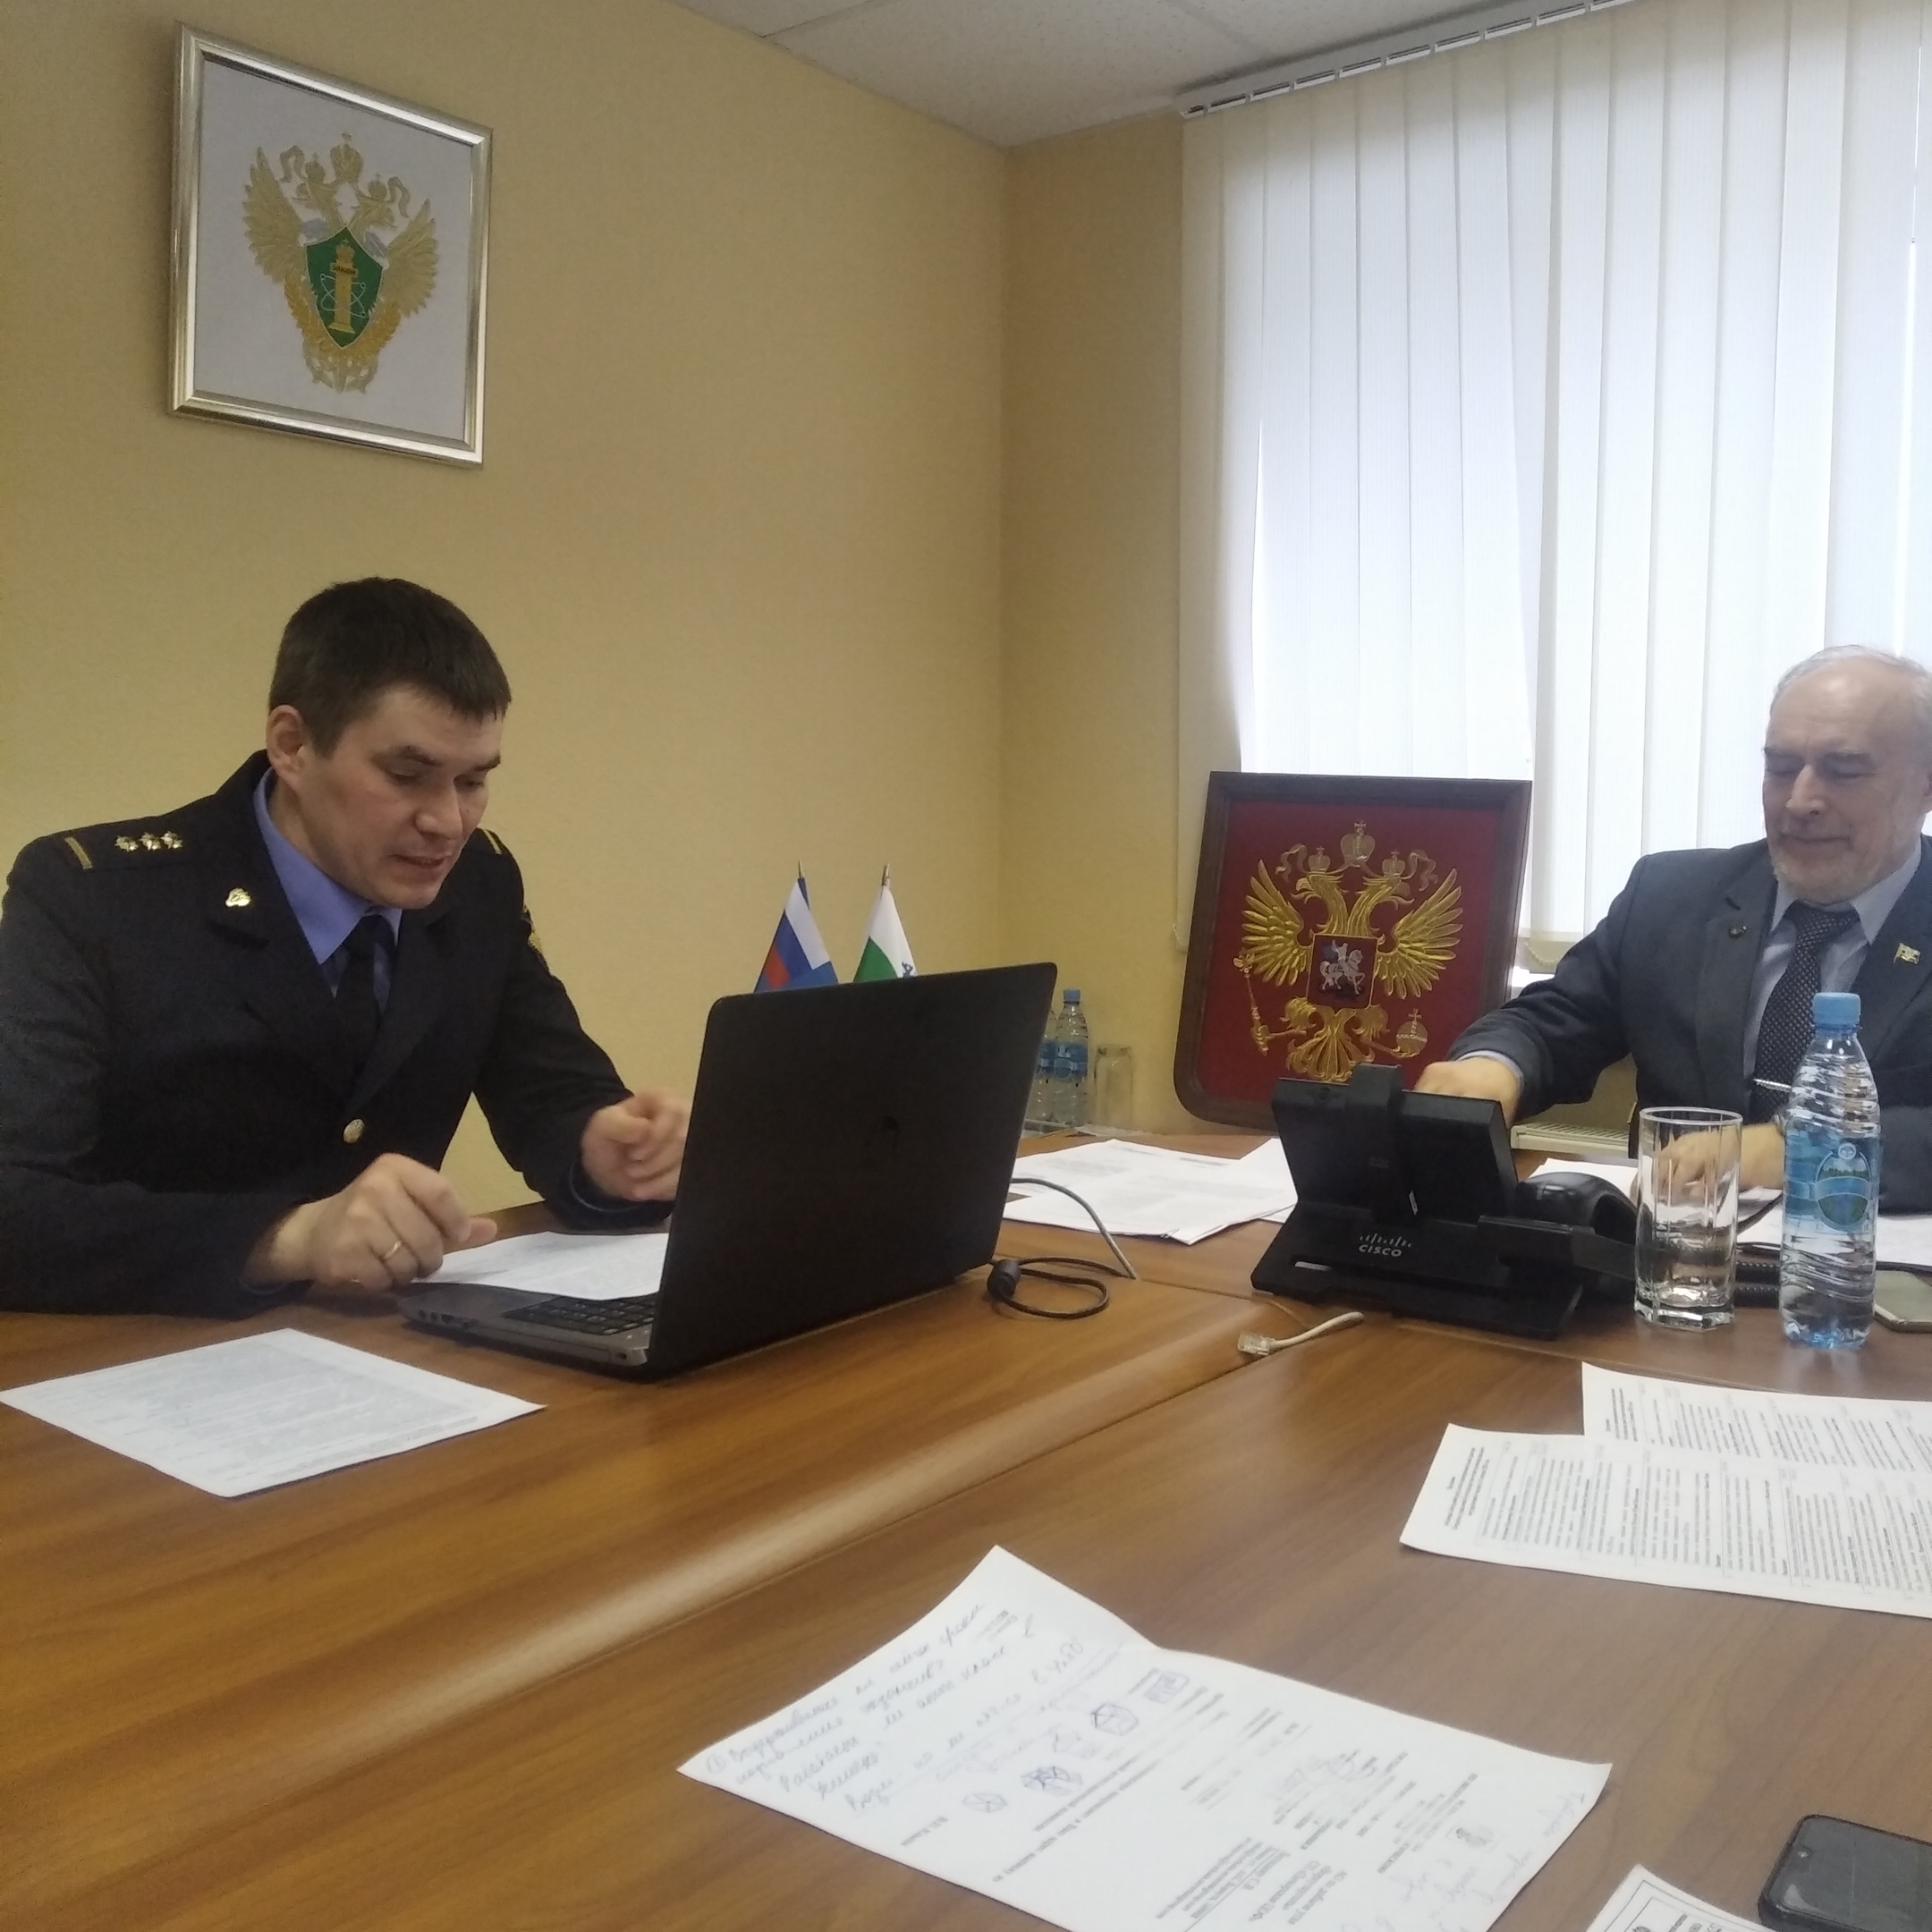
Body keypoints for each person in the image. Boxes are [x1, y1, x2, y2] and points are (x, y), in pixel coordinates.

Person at [0, 579, 688, 1316]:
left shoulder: (477, 886)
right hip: (136, 1350)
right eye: (406, 775)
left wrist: (605, 1151)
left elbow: (549, 1090)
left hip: (385, 1347)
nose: (448, 822)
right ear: (293, 746)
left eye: (472, 780)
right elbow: (17, 1197)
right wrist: (283, 1238)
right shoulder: (96, 900)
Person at [1419, 645, 1932, 1210]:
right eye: (1781, 768)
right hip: (1668, 1242)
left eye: (1844, 772)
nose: (1800, 800)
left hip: (1873, 1254)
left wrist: (1793, 1148)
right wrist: (1495, 1067)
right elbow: (1558, 1019)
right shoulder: (1671, 896)